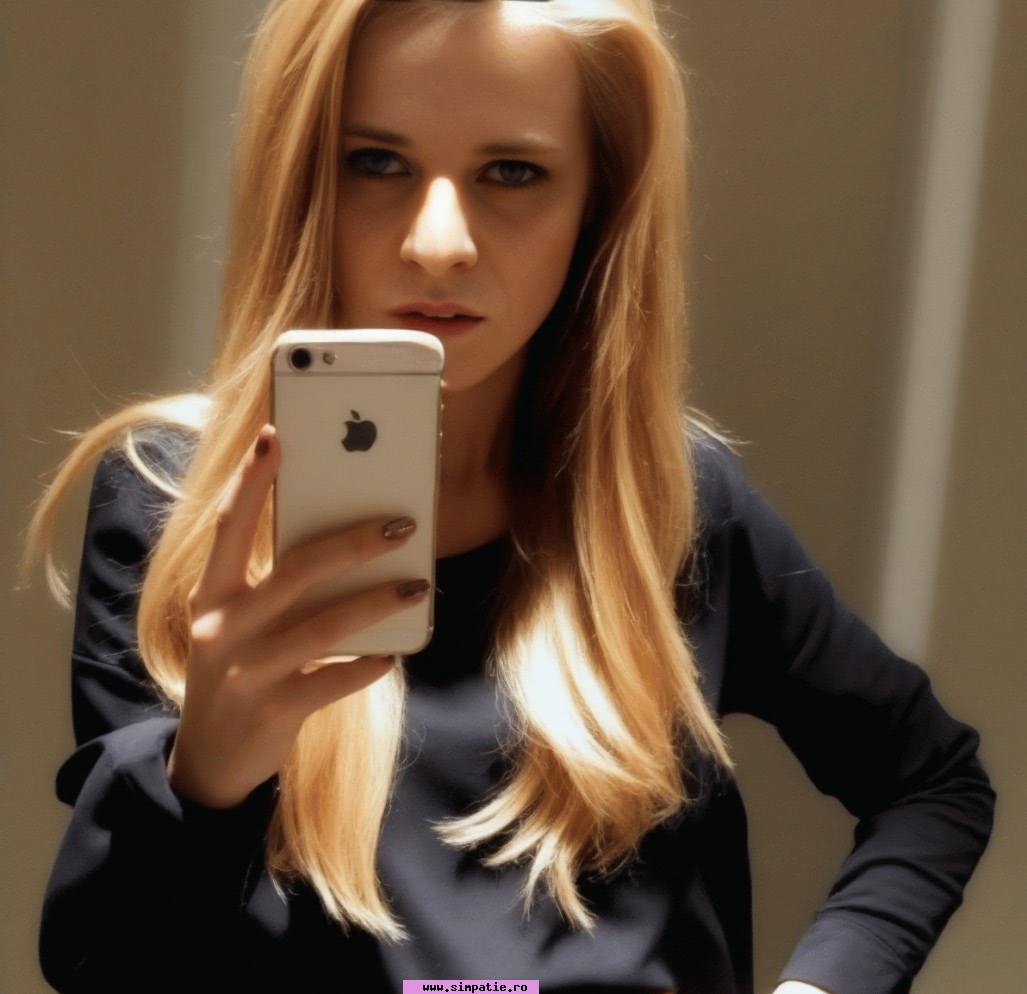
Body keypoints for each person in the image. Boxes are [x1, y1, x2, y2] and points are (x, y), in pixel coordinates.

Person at [23, 0, 994, 992]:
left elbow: (931, 781)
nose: (437, 242)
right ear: (304, 177)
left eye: (512, 172)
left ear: (596, 205)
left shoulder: (672, 507)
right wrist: (201, 782)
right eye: (376, 161)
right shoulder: (175, 509)